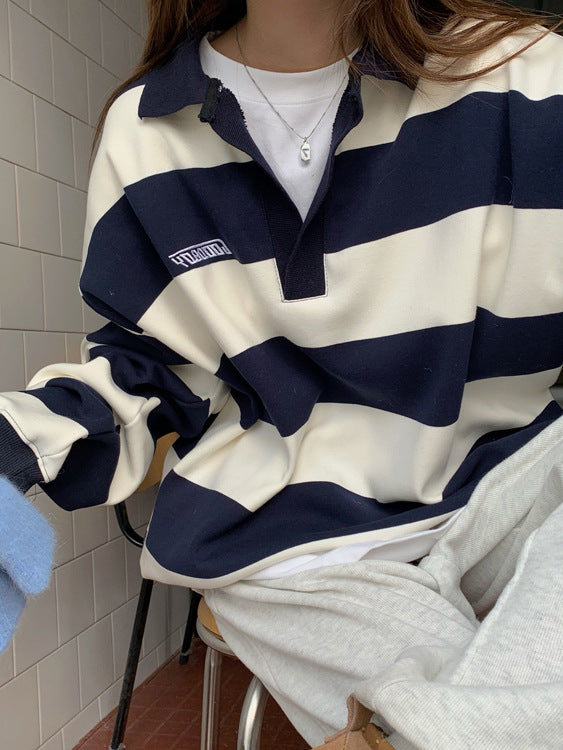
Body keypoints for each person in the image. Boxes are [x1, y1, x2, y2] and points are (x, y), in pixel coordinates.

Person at [1, 0, 562, 747]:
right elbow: (149, 368)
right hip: (289, 529)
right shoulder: (143, 132)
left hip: (522, 477)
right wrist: (16, 444)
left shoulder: (526, 71)